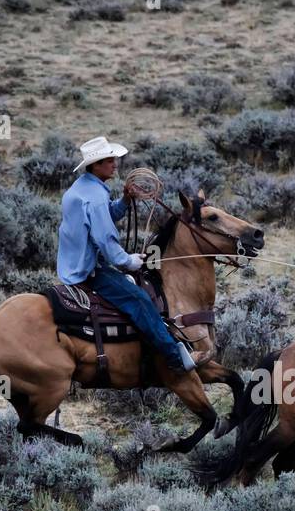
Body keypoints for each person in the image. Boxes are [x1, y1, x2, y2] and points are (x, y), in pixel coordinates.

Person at [57, 136, 197, 373]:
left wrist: (124, 200)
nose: (115, 164)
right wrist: (127, 261)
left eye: (113, 159)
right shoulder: (95, 196)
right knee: (139, 300)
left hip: (72, 263)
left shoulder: (83, 188)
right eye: (109, 160)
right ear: (96, 165)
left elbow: (104, 217)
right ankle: (175, 358)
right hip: (89, 270)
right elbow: (104, 237)